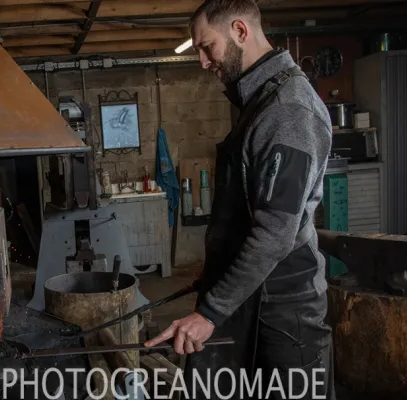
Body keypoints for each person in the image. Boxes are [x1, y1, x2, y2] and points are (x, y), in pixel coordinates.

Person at [144, 1, 335, 399]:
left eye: (206, 46)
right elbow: (249, 208)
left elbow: (274, 234)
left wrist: (209, 313)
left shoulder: (288, 111)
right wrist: (216, 264)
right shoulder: (260, 100)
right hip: (251, 295)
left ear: (240, 31)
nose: (201, 60)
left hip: (284, 310)